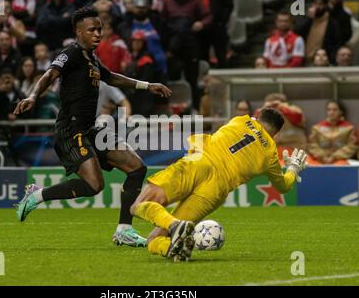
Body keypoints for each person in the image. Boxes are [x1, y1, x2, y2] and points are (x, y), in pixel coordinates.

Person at [12, 7, 171, 247]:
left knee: (137, 168)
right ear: (79, 32)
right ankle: (37, 195)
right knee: (94, 185)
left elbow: (112, 77)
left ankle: (124, 230)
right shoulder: (71, 53)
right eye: (92, 30)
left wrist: (147, 85)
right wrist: (33, 96)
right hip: (71, 130)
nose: (98, 33)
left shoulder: (92, 59)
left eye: (100, 29)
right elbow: (49, 74)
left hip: (91, 129)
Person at [130, 107, 308, 261]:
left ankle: (174, 225)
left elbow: (252, 127)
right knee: (154, 240)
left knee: (138, 205)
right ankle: (169, 247)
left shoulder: (241, 120)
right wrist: (292, 169)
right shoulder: (270, 154)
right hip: (215, 191)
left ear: (257, 116)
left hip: (199, 164)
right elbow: (283, 186)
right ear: (276, 134)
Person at [307, 100, 358, 165]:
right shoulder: (317, 128)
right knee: (307, 164)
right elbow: (312, 145)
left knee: (342, 166)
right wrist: (323, 157)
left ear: (341, 112)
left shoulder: (349, 128)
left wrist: (335, 157)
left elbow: (352, 146)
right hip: (320, 159)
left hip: (340, 159)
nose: (331, 112)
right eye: (329, 110)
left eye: (335, 110)